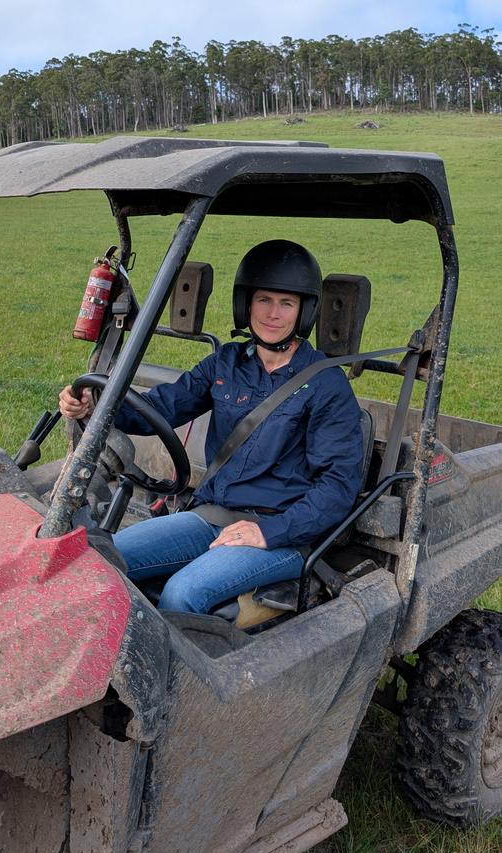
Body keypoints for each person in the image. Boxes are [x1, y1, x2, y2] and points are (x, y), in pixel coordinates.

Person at [59, 240, 364, 615]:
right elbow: (160, 407)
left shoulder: (325, 385)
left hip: (280, 535)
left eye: (286, 303)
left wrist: (267, 533)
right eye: (264, 300)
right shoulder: (227, 363)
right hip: (211, 518)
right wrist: (95, 406)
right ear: (245, 304)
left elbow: (337, 487)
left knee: (182, 594)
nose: (273, 314)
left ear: (304, 312)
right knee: (100, 558)